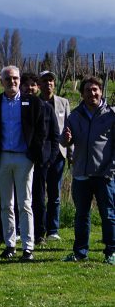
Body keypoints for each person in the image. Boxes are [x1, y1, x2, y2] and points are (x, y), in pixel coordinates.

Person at [0, 66, 46, 260]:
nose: (13, 82)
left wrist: (33, 156)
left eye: (16, 78)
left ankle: (28, 246)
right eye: (8, 79)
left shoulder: (33, 102)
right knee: (5, 204)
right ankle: (10, 244)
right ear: (1, 81)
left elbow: (40, 132)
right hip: (1, 159)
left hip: (23, 158)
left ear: (20, 80)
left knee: (25, 204)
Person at [60, 76, 115, 264]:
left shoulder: (111, 115)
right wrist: (66, 140)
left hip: (104, 174)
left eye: (95, 90)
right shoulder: (74, 116)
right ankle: (80, 252)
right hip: (81, 174)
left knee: (108, 215)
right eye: (88, 90)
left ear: (101, 91)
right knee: (81, 215)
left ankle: (111, 252)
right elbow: (64, 141)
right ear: (82, 94)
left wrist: (111, 170)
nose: (92, 93)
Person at [23, 72, 59, 246]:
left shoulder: (47, 108)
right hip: (20, 159)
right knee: (20, 198)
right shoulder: (16, 108)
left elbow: (54, 135)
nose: (30, 88)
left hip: (41, 161)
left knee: (39, 198)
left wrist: (50, 158)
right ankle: (19, 232)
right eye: (26, 85)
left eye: (33, 85)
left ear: (37, 88)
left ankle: (39, 233)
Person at [38, 70, 71, 242]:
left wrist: (70, 152)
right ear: (39, 84)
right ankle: (39, 228)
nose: (48, 83)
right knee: (38, 193)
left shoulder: (63, 103)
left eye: (51, 80)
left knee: (55, 193)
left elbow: (69, 129)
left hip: (58, 154)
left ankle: (53, 229)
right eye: (45, 80)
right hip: (39, 155)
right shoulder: (35, 102)